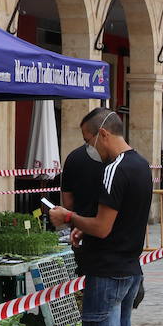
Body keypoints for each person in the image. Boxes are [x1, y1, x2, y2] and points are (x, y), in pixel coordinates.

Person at [48, 110, 152, 326]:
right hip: (128, 267)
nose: (89, 147)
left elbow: (103, 227)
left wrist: (68, 218)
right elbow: (116, 221)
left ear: (103, 135)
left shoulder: (114, 170)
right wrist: (85, 225)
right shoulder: (140, 165)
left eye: (89, 140)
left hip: (107, 271)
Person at [61, 112, 107, 263]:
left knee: (85, 279)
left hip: (83, 233)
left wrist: (71, 218)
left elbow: (67, 202)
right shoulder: (130, 163)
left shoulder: (74, 157)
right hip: (121, 249)